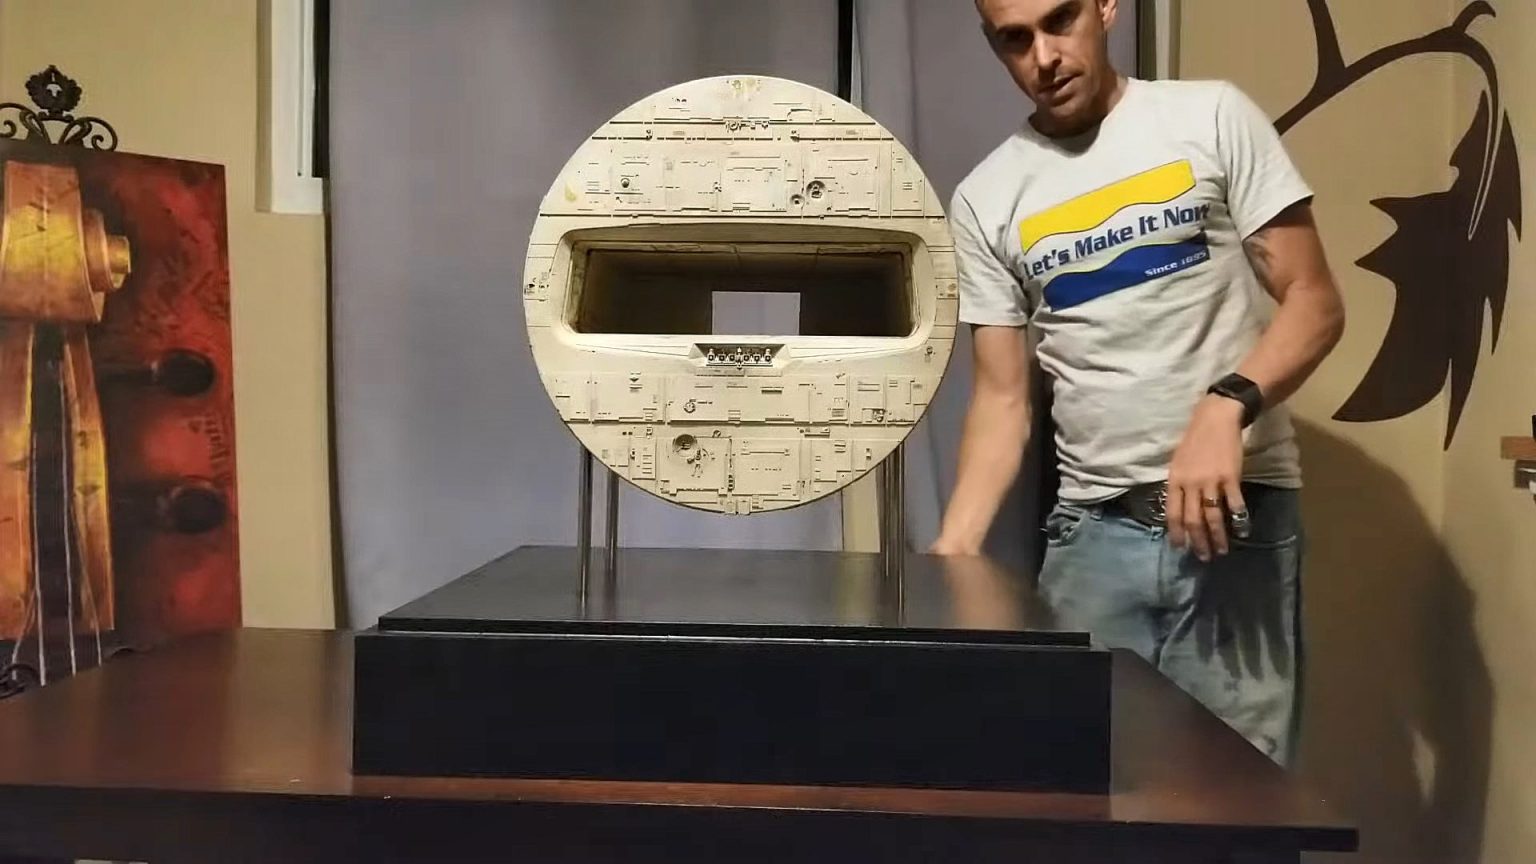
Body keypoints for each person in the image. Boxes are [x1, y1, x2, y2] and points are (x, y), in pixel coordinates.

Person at [930, 0, 1346, 767]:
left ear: (1105, 7)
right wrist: (954, 548)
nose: (1044, 57)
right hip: (1091, 537)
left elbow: (1315, 303)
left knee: (1233, 802)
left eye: (1060, 21)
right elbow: (1001, 398)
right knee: (1078, 789)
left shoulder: (1210, 117)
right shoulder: (986, 196)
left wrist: (1226, 405)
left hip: (1233, 528)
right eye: (1016, 40)